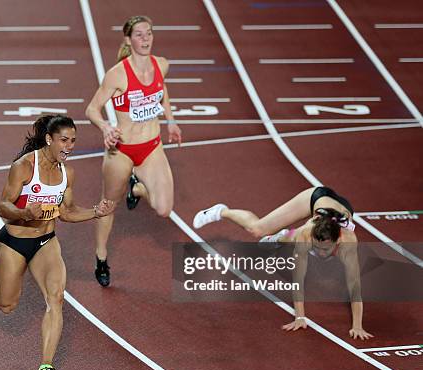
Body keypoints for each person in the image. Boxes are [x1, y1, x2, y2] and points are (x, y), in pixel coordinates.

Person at [0, 115, 115, 370]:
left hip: (46, 242)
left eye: (73, 141)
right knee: (7, 305)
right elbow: (2, 206)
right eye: (64, 140)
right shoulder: (24, 167)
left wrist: (95, 213)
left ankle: (45, 367)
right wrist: (26, 212)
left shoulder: (67, 173)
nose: (69, 146)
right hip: (15, 243)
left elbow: (67, 213)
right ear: (49, 140)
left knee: (56, 298)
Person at [193, 186, 374, 340]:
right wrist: (300, 316)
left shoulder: (348, 242)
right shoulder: (306, 234)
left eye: (325, 249)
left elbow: (354, 285)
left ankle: (281, 237)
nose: (320, 253)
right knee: (258, 229)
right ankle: (221, 211)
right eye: (317, 248)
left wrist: (357, 325)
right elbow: (298, 277)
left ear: (337, 240)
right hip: (315, 197)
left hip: (337, 212)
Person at [85, 15, 183, 287]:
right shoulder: (117, 74)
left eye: (148, 33)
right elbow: (91, 109)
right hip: (123, 150)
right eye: (139, 35)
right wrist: (105, 127)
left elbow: (162, 91)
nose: (145, 39)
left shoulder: (161, 65)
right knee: (108, 205)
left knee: (164, 209)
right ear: (128, 40)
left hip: (152, 147)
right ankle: (101, 258)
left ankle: (137, 188)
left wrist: (171, 120)